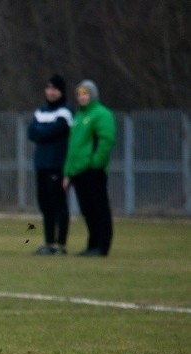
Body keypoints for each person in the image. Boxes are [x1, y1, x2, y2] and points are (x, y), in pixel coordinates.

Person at [63, 79, 117, 256]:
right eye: (79, 94)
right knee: (87, 209)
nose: (82, 97)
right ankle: (92, 244)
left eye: (85, 93)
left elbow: (106, 141)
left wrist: (96, 163)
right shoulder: (78, 117)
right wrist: (68, 172)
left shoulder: (101, 114)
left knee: (99, 207)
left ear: (93, 95)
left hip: (93, 170)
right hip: (78, 171)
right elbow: (73, 147)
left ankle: (102, 245)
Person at [27, 74, 73, 255]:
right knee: (45, 204)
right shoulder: (41, 111)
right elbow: (31, 132)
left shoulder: (66, 112)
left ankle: (60, 244)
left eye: (55, 89)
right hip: (41, 164)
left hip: (57, 164)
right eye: (49, 88)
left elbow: (54, 131)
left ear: (61, 91)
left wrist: (42, 131)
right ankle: (48, 242)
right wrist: (44, 132)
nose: (51, 92)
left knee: (58, 204)